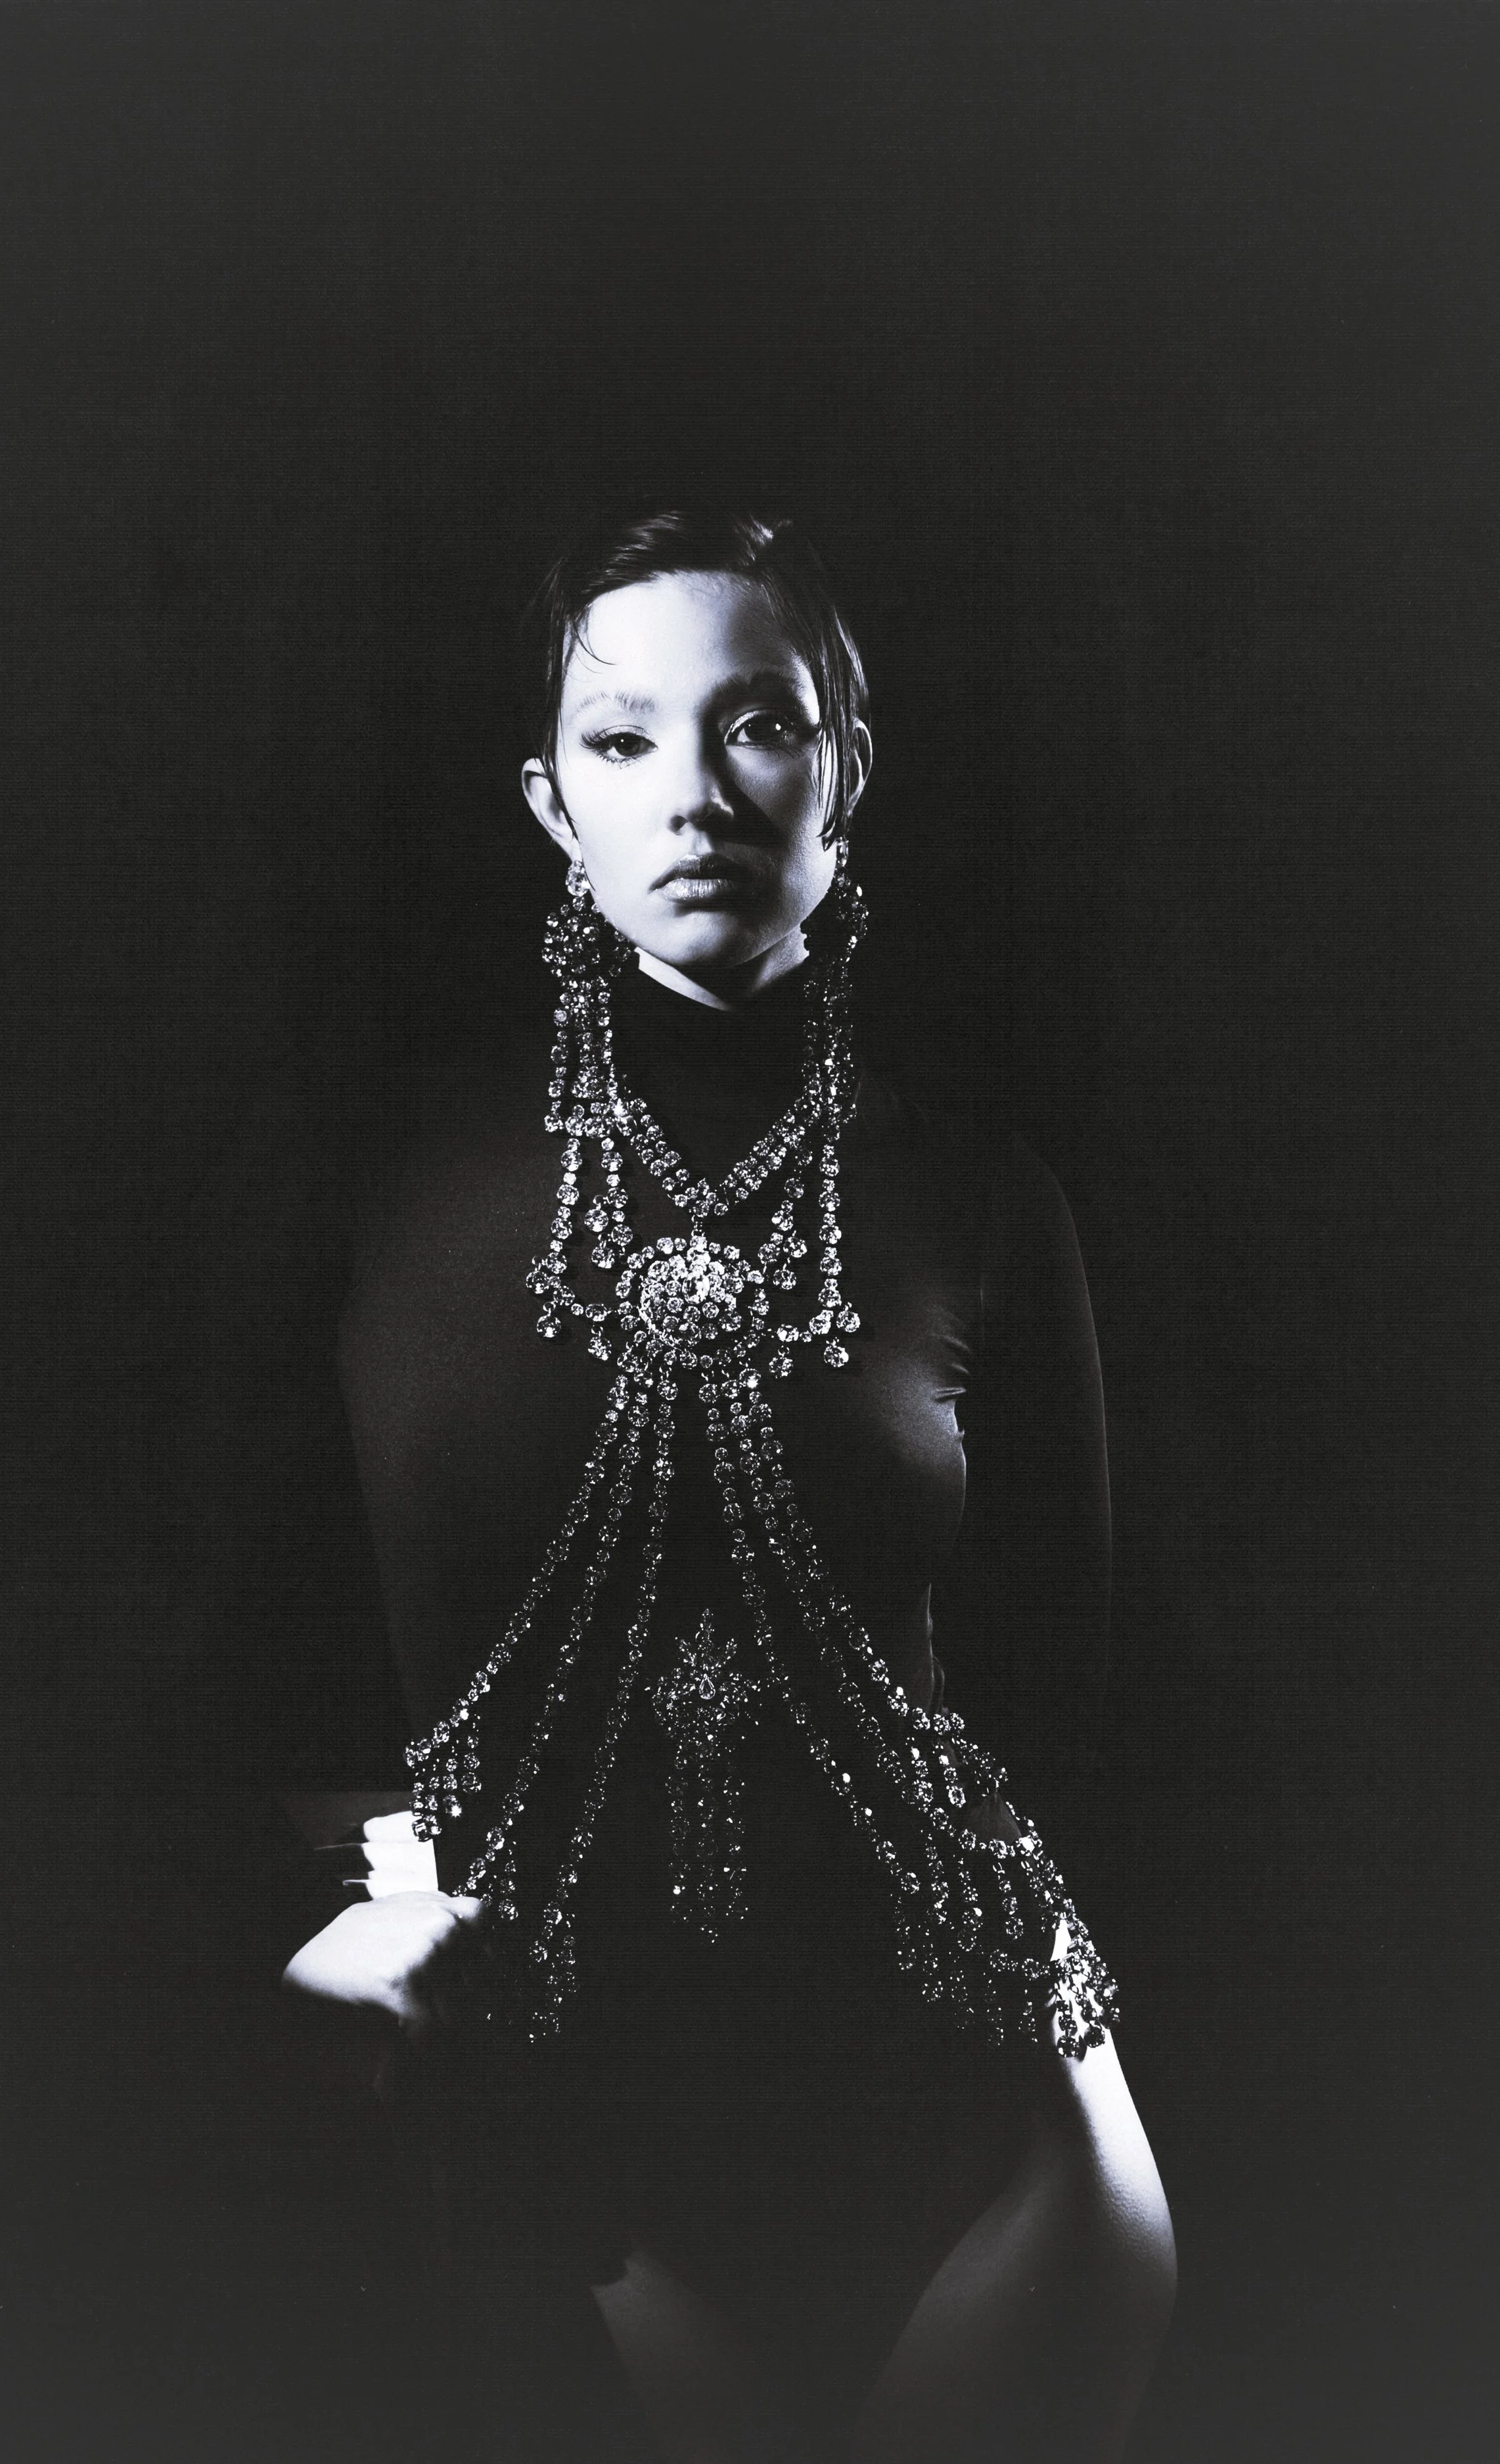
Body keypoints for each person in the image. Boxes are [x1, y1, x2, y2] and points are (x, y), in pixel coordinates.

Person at [284, 509, 1175, 2462]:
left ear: (843, 773)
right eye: (622, 739)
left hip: (963, 2110)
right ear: (548, 800)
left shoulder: (979, 1186)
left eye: (756, 725)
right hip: (538, 2117)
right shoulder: (379, 1180)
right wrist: (354, 1886)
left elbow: (1072, 1685)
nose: (693, 790)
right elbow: (242, 1635)